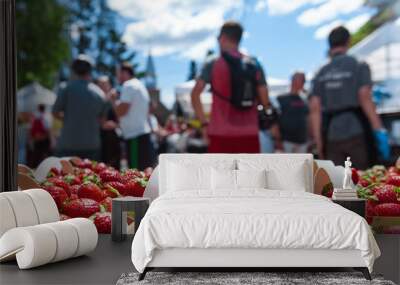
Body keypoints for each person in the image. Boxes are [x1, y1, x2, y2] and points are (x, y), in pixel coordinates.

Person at [309, 26, 390, 169]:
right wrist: (379, 130)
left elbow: (314, 108)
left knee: (337, 184)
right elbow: (365, 96)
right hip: (356, 130)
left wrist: (319, 143)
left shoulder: (320, 72)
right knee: (361, 179)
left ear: (330, 44)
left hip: (332, 135)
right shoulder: (359, 65)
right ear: (348, 41)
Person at [191, 21, 270, 153]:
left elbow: (195, 94)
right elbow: (265, 99)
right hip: (250, 133)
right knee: (249, 173)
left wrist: (204, 124)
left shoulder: (213, 63)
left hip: (220, 133)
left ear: (222, 38)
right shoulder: (254, 63)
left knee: (219, 173)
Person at [52, 55, 107, 160]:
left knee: (64, 176)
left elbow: (55, 112)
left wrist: (69, 119)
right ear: (90, 71)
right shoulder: (100, 94)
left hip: (67, 144)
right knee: (91, 176)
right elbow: (102, 120)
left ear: (73, 70)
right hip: (92, 145)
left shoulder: (65, 88)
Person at [111, 62, 156, 169]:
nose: (117, 77)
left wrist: (113, 100)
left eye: (118, 73)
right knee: (144, 174)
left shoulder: (129, 85)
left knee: (136, 175)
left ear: (124, 72)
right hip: (141, 135)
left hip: (135, 137)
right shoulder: (139, 85)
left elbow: (120, 112)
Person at [277, 72, 309, 153]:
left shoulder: (305, 100)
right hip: (286, 141)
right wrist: (277, 140)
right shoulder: (281, 98)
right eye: (301, 79)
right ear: (293, 80)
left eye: (304, 80)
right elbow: (275, 120)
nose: (303, 82)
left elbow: (308, 119)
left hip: (303, 142)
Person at [95, 76, 121, 169]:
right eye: (100, 85)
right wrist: (102, 125)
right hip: (98, 138)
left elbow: (120, 119)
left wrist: (115, 125)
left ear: (109, 86)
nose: (103, 87)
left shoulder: (115, 100)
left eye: (105, 84)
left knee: (114, 166)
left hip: (113, 137)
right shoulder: (95, 100)